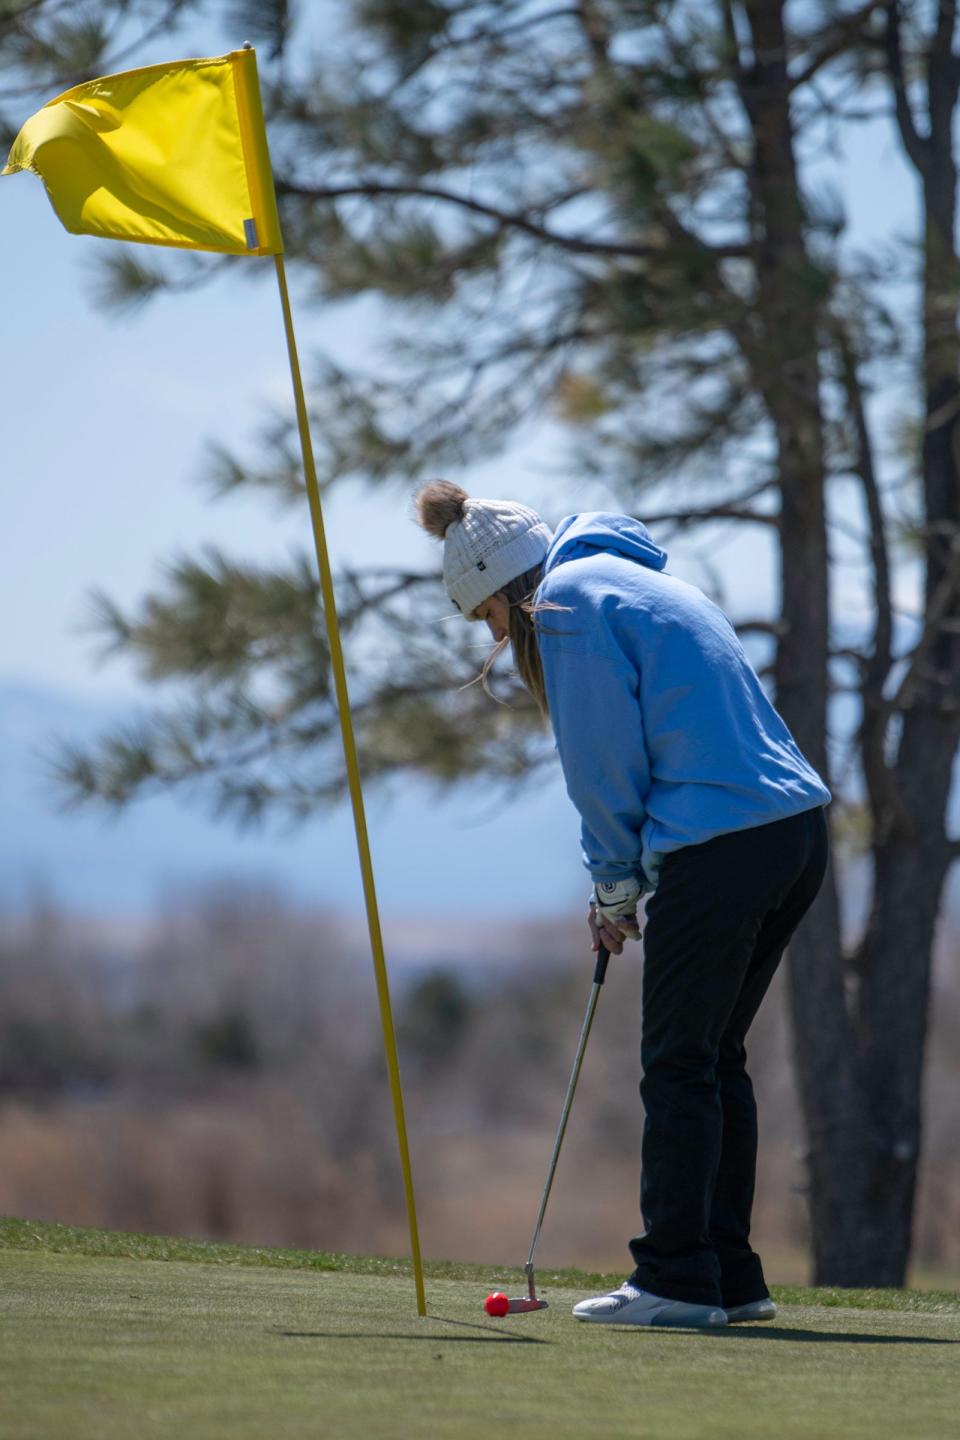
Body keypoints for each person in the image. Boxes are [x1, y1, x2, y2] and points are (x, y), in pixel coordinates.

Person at [414, 480, 830, 1329]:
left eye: (488, 615)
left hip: (722, 842)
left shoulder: (562, 606)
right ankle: (727, 1275)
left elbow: (604, 768)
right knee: (713, 1058)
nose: (496, 634)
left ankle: (676, 1278)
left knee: (678, 1062)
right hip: (793, 834)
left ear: (505, 587)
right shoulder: (633, 579)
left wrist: (612, 887)